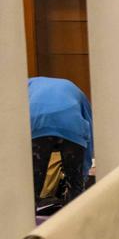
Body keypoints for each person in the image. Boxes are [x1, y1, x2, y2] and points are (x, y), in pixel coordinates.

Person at [28, 76, 93, 205]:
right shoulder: (74, 88)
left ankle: (27, 220)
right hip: (72, 125)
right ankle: (76, 219)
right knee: (75, 188)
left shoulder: (26, 87)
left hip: (38, 124)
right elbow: (90, 135)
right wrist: (83, 173)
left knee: (33, 186)